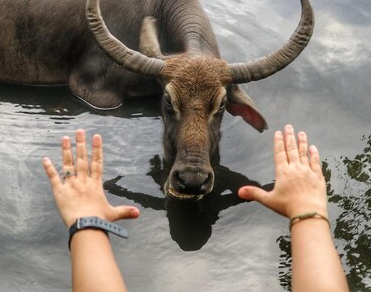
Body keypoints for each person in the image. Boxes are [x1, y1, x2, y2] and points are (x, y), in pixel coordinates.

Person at [42, 125, 349, 292]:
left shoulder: (165, 205)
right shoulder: (221, 207)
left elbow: (145, 198)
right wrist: (307, 211)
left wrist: (89, 220)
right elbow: (242, 194)